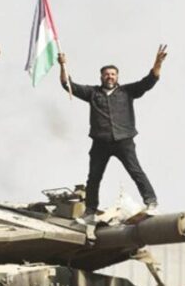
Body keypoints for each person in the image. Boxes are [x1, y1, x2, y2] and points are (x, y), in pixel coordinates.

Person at [57, 45, 167, 220]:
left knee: (136, 171)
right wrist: (62, 65)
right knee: (94, 177)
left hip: (124, 140)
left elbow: (149, 81)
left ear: (117, 77)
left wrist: (158, 62)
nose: (110, 76)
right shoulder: (92, 93)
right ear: (101, 77)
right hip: (100, 142)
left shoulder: (127, 92)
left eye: (113, 74)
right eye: (107, 74)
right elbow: (67, 85)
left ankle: (151, 202)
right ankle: (90, 211)